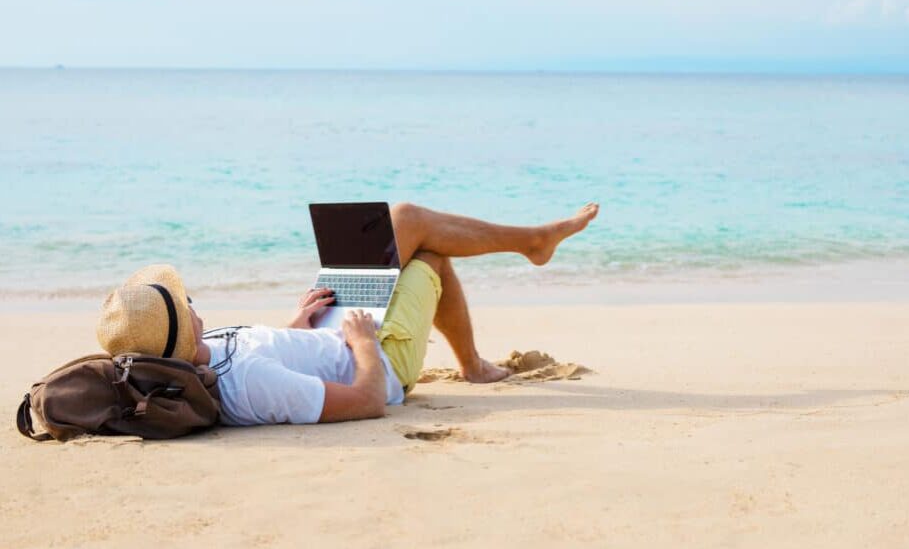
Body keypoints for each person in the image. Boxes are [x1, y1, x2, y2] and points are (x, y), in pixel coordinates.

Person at [96, 202, 599, 425]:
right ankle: (533, 244)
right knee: (420, 239)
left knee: (411, 235)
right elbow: (367, 402)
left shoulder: (209, 354)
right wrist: (361, 343)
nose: (192, 302)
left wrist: (297, 324)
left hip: (334, 333)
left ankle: (475, 358)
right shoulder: (251, 383)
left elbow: (265, 350)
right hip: (383, 361)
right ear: (183, 326)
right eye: (186, 304)